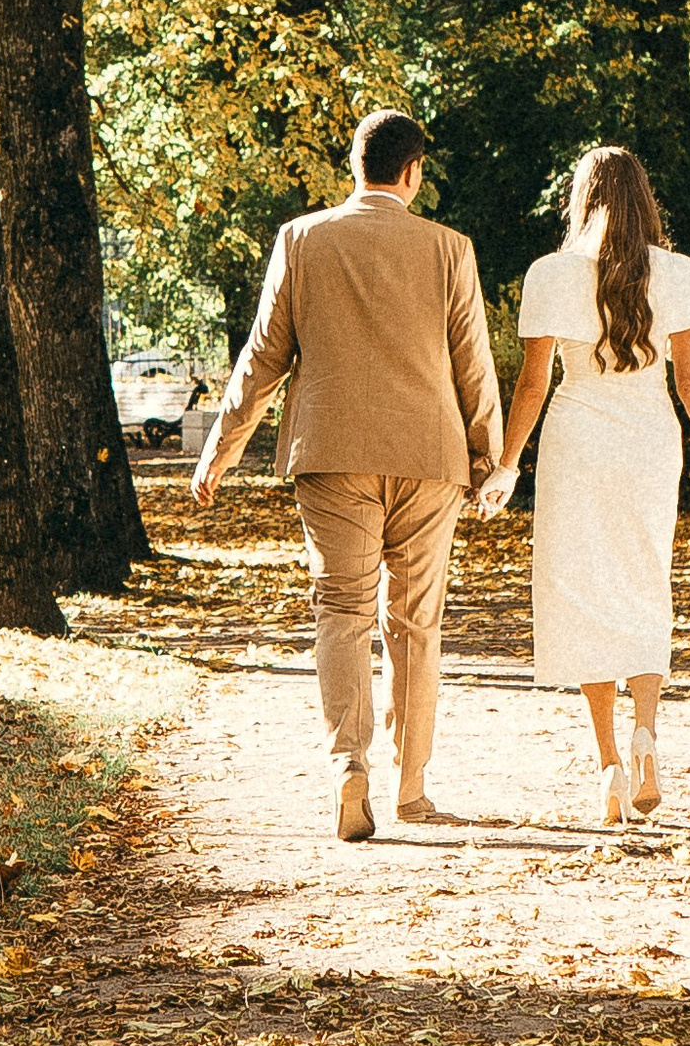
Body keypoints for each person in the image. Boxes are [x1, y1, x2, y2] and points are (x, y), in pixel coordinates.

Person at [192, 107, 503, 842]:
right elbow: (473, 362)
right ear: (414, 171)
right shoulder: (449, 248)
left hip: (332, 455)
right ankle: (415, 788)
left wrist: (221, 449)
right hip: (431, 459)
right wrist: (491, 457)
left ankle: (347, 770)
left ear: (354, 167)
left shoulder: (302, 239)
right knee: (416, 621)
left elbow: (262, 357)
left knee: (341, 612)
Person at [478, 143, 690, 825]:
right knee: (644, 579)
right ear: (644, 199)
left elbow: (534, 381)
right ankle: (648, 736)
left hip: (577, 441)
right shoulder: (680, 273)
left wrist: (507, 466)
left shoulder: (549, 273)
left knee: (583, 592)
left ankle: (607, 766)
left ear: (581, 199)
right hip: (650, 441)